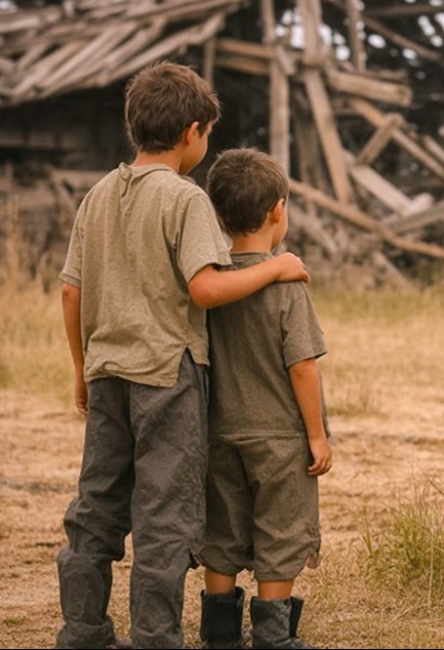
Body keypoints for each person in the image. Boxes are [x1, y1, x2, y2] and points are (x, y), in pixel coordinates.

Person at [56, 62, 310, 649]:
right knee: (164, 517)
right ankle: (154, 637)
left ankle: (84, 630)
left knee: (94, 510)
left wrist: (80, 367)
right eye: (207, 135)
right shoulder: (185, 198)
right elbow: (206, 288)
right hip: (167, 379)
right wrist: (276, 267)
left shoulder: (97, 195)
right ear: (194, 131)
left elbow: (72, 291)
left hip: (108, 373)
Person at [196, 148, 332, 650]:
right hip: (280, 438)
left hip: (219, 432)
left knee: (223, 531)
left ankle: (220, 633)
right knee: (282, 529)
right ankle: (273, 636)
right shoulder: (286, 281)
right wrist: (316, 435)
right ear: (278, 210)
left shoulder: (210, 279)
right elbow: (302, 365)